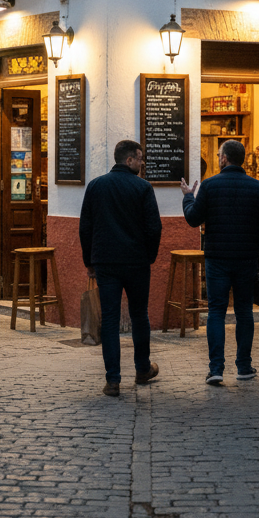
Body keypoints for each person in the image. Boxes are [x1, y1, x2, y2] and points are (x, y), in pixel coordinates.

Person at [179, 140, 259, 385]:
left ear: (224, 159)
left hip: (217, 259)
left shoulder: (209, 185)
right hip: (247, 259)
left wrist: (188, 197)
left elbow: (193, 219)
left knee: (216, 312)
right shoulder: (257, 188)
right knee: (244, 312)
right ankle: (243, 366)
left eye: (219, 154)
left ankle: (216, 368)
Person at [79, 140, 163, 397]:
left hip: (106, 262)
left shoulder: (95, 186)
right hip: (137, 261)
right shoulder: (143, 188)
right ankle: (142, 369)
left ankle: (113, 380)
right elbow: (154, 228)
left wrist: (89, 262)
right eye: (139, 159)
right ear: (128, 160)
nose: (142, 163)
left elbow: (85, 228)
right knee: (139, 315)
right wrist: (149, 256)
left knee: (111, 320)